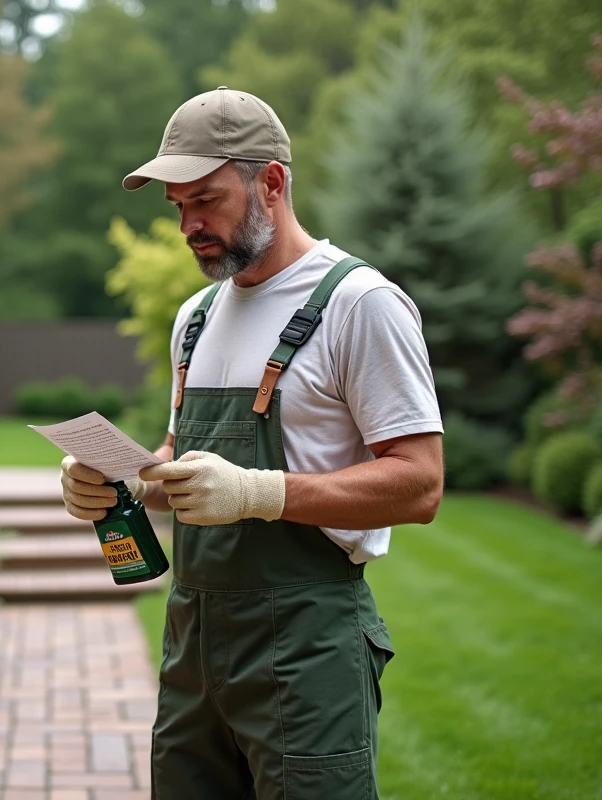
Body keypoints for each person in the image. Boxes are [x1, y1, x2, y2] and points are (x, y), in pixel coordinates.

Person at [59, 86, 445, 799]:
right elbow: (177, 450)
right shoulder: (196, 316)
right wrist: (126, 478)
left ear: (270, 182)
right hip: (192, 640)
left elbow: (420, 485)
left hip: (307, 644)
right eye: (178, 206)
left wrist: (259, 492)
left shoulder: (360, 304)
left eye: (206, 200)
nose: (188, 226)